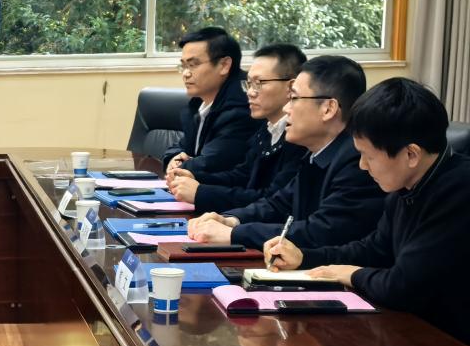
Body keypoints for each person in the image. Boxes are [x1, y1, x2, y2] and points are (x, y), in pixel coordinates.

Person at [264, 78, 470, 344]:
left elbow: (402, 287)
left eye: (368, 156)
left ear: (411, 154)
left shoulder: (459, 191)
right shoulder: (407, 184)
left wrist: (351, 274)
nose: (362, 165)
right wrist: (305, 257)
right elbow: (374, 250)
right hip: (421, 332)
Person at [188, 55, 385, 250]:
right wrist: (231, 220)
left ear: (328, 109)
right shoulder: (315, 153)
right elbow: (279, 205)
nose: (286, 108)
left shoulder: (357, 161)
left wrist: (234, 234)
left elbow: (320, 232)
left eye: (294, 99)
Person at [167, 43, 307, 210]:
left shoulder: (300, 137)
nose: (250, 92)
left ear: (290, 87)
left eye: (259, 83)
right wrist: (195, 177)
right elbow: (242, 176)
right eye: (249, 83)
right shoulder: (267, 128)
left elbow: (272, 201)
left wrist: (201, 192)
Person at [162, 26, 263, 177]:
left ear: (224, 65)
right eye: (183, 66)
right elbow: (182, 146)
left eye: (193, 65)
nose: (186, 74)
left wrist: (179, 166)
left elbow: (212, 163)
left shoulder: (243, 106)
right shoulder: (198, 103)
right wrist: (172, 158)